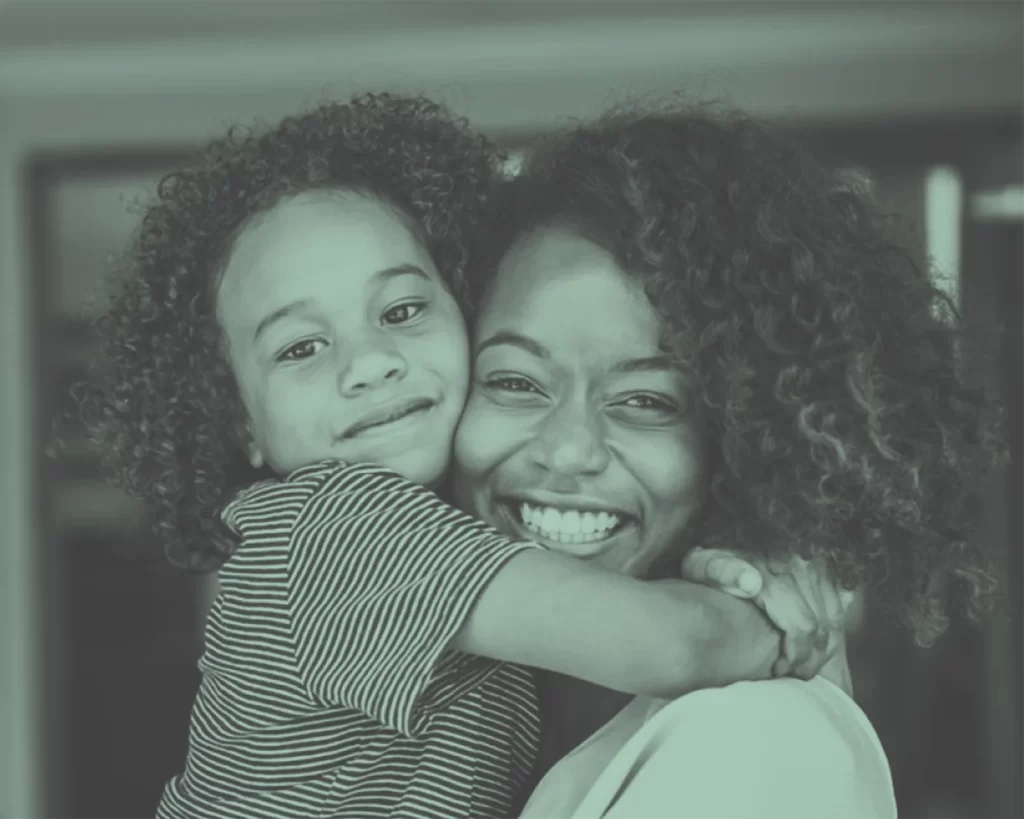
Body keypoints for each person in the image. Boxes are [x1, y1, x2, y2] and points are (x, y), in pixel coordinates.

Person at [77, 93, 840, 819]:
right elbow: (672, 645)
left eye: (403, 309)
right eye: (300, 347)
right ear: (240, 423)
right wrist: (781, 620)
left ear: (462, 310)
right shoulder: (332, 527)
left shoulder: (461, 556)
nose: (370, 362)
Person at [450, 98, 1007, 817]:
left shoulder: (757, 742)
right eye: (514, 382)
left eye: (645, 400)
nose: (568, 451)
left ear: (743, 444)